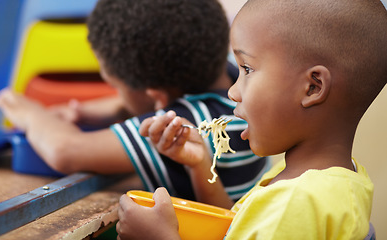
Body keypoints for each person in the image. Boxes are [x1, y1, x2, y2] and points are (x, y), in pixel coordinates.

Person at [116, 0, 387, 239]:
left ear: (312, 88)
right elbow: (237, 229)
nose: (233, 92)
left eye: (247, 69)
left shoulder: (296, 202)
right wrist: (199, 165)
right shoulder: (333, 180)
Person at [0, 0, 270, 204]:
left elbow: (66, 151)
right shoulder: (232, 82)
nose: (115, 95)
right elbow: (139, 101)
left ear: (156, 97)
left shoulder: (180, 128)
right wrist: (92, 109)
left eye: (115, 86)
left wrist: (30, 113)